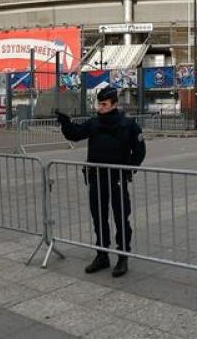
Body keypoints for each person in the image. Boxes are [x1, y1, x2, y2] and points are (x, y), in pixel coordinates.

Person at [55, 87, 146, 277]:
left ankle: (122, 257)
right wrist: (65, 122)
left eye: (104, 104)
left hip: (117, 178)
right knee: (99, 217)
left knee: (121, 217)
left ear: (114, 104)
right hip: (96, 178)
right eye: (99, 104)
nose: (100, 107)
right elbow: (76, 134)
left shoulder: (128, 125)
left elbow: (139, 151)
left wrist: (129, 170)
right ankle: (102, 255)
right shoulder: (95, 123)